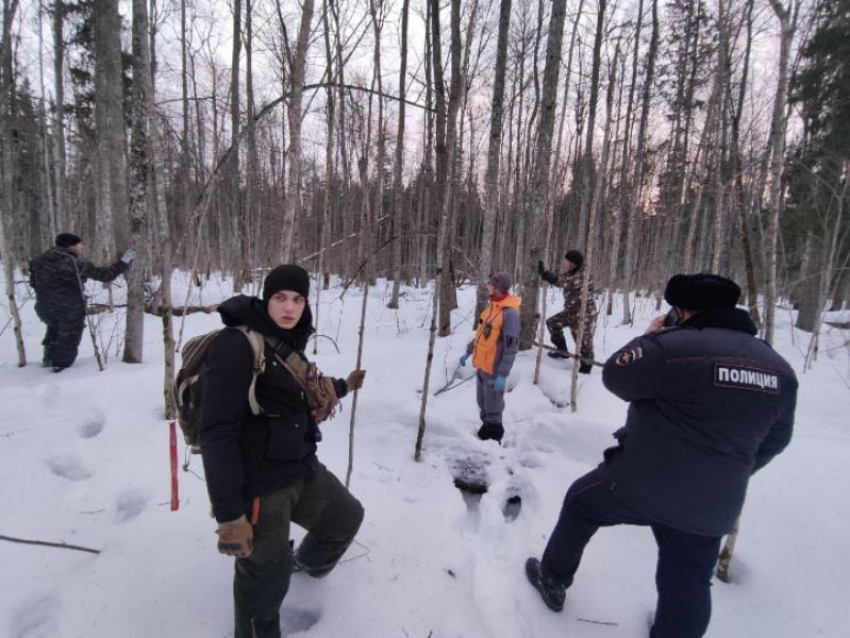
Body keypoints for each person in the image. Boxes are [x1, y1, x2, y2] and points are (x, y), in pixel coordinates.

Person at [524, 273, 797, 638]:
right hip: (715, 503)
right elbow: (777, 440)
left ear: (680, 310)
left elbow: (617, 376)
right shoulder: (780, 369)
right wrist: (730, 471)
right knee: (689, 580)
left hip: (639, 484)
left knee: (580, 503)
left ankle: (553, 577)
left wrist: (653, 337)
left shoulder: (675, 348)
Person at [199, 264, 366, 638]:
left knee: (346, 517)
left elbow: (301, 390)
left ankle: (305, 566)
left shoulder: (288, 341)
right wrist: (230, 516)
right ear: (266, 298)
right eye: (280, 298)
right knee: (263, 579)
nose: (289, 307)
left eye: (297, 299)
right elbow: (216, 434)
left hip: (301, 468)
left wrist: (342, 386)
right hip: (260, 486)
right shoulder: (237, 345)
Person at [28, 233, 134, 372]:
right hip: (69, 309)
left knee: (54, 332)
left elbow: (33, 283)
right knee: (68, 339)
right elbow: (105, 275)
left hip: (44, 308)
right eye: (80, 244)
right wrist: (124, 262)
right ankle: (60, 369)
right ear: (71, 246)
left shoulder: (39, 260)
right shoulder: (74, 262)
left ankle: (48, 361)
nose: (82, 246)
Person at [459, 272, 520, 443]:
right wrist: (469, 351)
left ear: (499, 288)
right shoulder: (491, 307)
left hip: (495, 368)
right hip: (482, 365)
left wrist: (503, 373)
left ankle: (494, 434)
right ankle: (486, 426)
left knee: (493, 405)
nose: (487, 286)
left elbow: (511, 348)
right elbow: (481, 335)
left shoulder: (510, 315)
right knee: (482, 401)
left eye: (490, 284)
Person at [537, 249, 596, 373]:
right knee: (552, 323)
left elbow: (565, 282)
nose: (564, 262)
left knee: (583, 342)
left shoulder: (583, 275)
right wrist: (547, 274)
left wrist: (549, 276)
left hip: (584, 315)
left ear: (573, 263)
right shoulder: (571, 272)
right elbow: (561, 278)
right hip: (570, 312)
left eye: (566, 260)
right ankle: (562, 351)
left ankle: (586, 368)